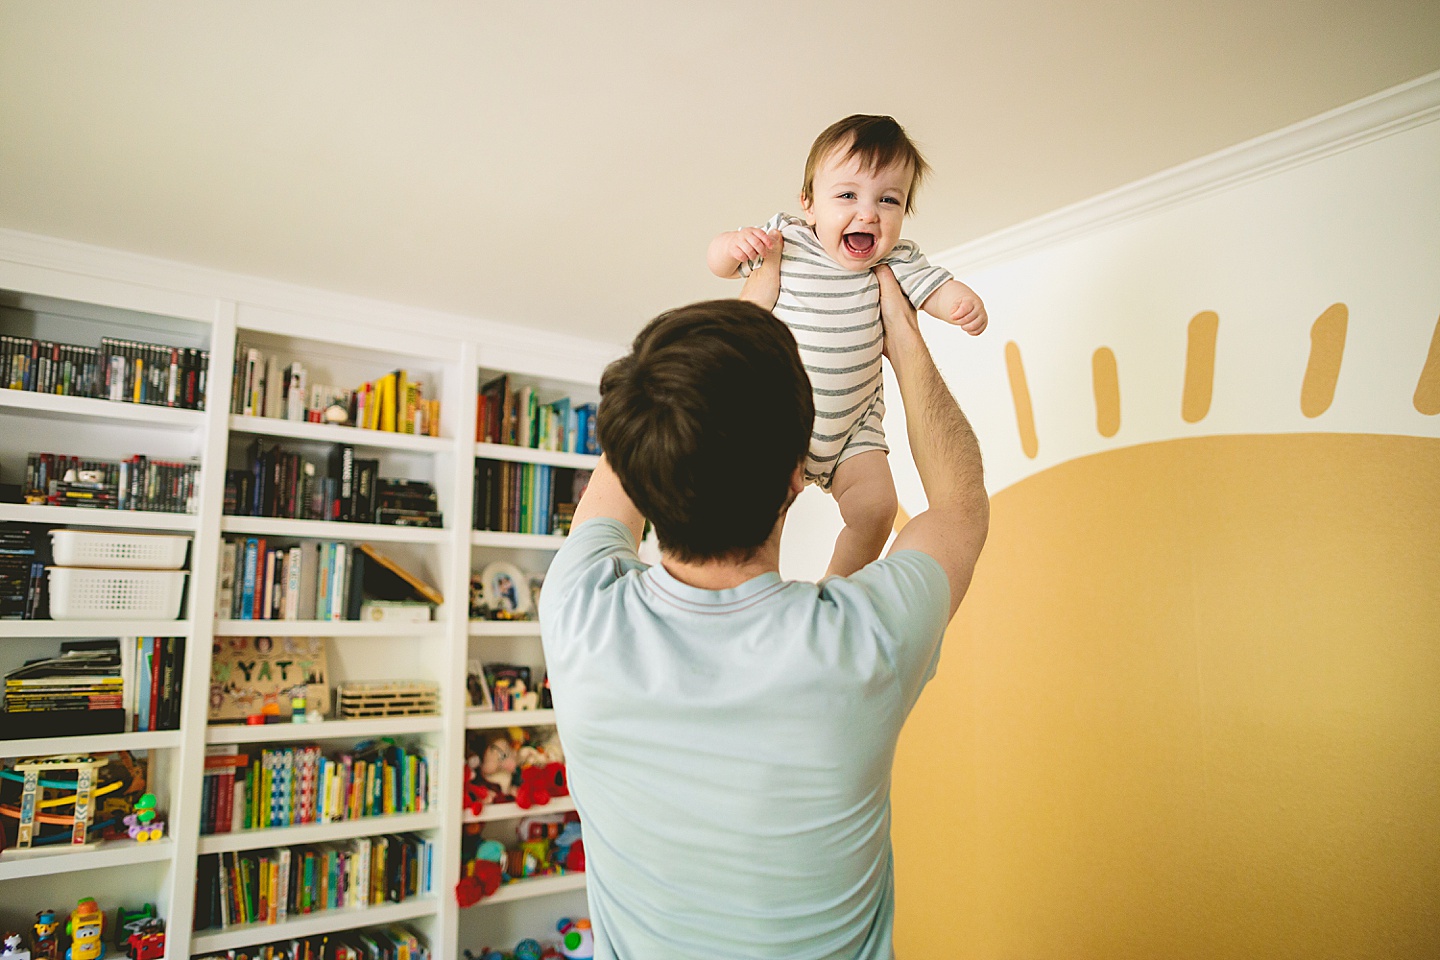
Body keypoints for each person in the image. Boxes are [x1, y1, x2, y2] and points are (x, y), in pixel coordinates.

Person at [538, 265, 989, 959]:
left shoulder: (577, 612)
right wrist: (902, 338)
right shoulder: (865, 643)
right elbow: (958, 508)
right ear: (794, 478)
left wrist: (746, 310)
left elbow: (630, 451)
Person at [707, 114, 987, 578]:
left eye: (889, 199)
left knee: (878, 509)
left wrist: (961, 303)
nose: (869, 212)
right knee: (751, 510)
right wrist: (734, 245)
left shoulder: (899, 261)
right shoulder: (787, 241)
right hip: (780, 416)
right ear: (809, 204)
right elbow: (718, 262)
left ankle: (835, 587)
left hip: (856, 430)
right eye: (847, 195)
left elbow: (934, 289)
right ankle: (745, 587)